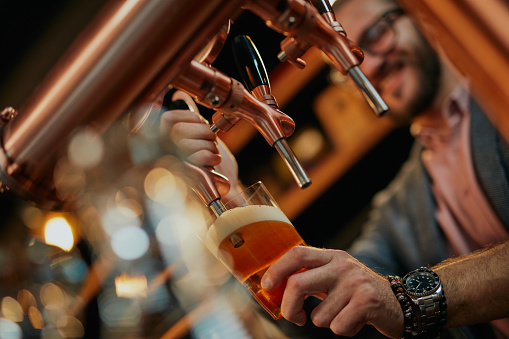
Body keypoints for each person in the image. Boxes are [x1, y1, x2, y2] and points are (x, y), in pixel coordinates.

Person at [160, 0, 509, 337]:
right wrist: (233, 198)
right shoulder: (403, 203)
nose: (369, 66)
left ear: (422, 17)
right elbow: (317, 309)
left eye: (375, 35)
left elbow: (395, 300)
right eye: (345, 66)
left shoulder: (501, 99)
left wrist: (407, 302)